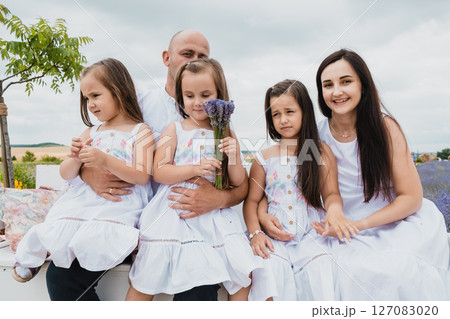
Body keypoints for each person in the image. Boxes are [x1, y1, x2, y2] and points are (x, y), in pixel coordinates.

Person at [48, 30, 248, 301]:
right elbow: (100, 141)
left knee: (199, 284)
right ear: (167, 58)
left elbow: (237, 182)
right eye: (187, 54)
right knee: (62, 277)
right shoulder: (137, 104)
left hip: (188, 218)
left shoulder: (219, 122)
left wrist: (219, 199)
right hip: (126, 213)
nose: (193, 62)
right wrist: (88, 172)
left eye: (202, 57)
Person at [260, 49, 450, 300]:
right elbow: (279, 182)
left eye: (346, 81)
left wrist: (358, 225)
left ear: (363, 85)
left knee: (392, 272)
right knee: (323, 272)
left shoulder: (385, 128)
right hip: (336, 225)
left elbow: (411, 197)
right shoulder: (314, 140)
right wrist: (262, 215)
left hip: (390, 223)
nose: (336, 91)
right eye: (328, 85)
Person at [13, 58, 154, 301]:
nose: (90, 104)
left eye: (96, 95)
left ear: (119, 91)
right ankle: (35, 255)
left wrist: (105, 160)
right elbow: (66, 174)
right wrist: (76, 159)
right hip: (82, 205)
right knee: (63, 236)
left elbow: (142, 176)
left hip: (115, 208)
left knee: (83, 250)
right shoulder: (91, 132)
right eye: (86, 98)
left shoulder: (140, 131)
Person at [126, 58, 261, 301]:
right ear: (181, 97)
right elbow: (160, 171)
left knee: (243, 273)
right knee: (149, 270)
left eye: (205, 95)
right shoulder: (175, 129)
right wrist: (194, 168)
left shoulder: (227, 133)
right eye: (189, 96)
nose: (197, 102)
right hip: (176, 208)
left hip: (213, 214)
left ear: (220, 95)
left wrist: (235, 156)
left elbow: (238, 180)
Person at [243, 79, 347, 301]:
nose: (283, 120)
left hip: (312, 231)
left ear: (304, 111)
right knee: (269, 270)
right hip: (275, 234)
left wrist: (334, 211)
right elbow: (252, 201)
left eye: (290, 111)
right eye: (276, 114)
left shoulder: (320, 151)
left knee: (320, 268)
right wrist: (255, 233)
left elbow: (331, 194)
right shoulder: (264, 158)